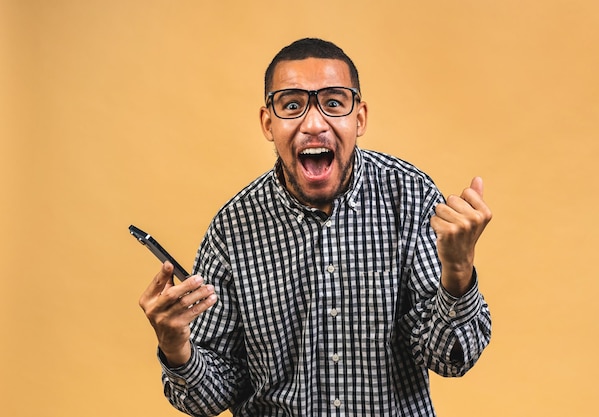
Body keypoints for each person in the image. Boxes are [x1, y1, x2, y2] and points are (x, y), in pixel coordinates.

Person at [139, 37, 492, 417]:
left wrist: (458, 273)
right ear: (267, 122)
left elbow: (451, 359)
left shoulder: (409, 196)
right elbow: (212, 396)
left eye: (333, 103)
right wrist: (177, 349)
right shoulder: (233, 229)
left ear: (360, 118)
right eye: (292, 105)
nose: (312, 123)